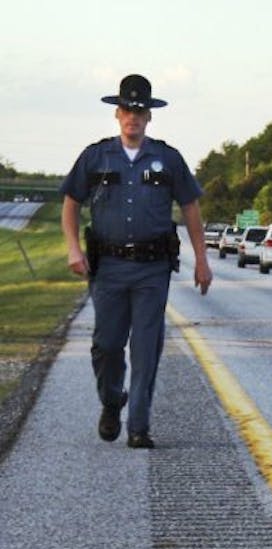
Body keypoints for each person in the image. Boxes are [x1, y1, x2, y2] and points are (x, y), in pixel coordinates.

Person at [61, 73, 212, 449]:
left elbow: (191, 207)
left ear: (149, 117)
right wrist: (73, 249)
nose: (133, 116)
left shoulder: (168, 158)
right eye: (127, 109)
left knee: (147, 348)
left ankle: (139, 427)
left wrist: (202, 260)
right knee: (107, 345)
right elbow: (70, 203)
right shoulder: (96, 156)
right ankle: (112, 401)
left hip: (152, 270)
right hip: (108, 269)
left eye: (140, 110)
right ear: (118, 113)